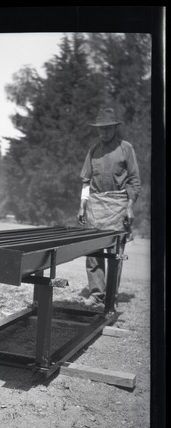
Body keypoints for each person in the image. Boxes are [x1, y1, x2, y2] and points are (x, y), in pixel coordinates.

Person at [77, 107, 141, 308]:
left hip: (117, 208)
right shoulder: (93, 151)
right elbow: (86, 182)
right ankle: (97, 295)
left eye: (107, 129)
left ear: (114, 128)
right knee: (93, 255)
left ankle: (110, 297)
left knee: (115, 254)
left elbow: (134, 181)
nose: (103, 133)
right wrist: (82, 206)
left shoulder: (126, 149)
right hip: (95, 209)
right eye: (100, 129)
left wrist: (130, 206)